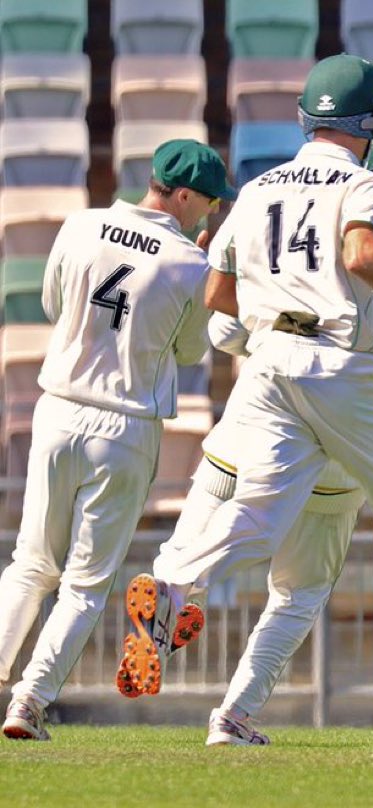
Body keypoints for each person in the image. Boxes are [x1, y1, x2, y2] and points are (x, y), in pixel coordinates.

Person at [116, 55, 373, 731]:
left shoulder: (259, 188)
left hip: (269, 362)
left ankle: (173, 586)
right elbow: (360, 258)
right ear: (366, 123)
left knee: (254, 518)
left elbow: (217, 295)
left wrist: (270, 317)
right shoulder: (366, 185)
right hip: (335, 372)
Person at [148, 152, 373, 745]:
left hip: (242, 444)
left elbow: (221, 331)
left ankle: (172, 581)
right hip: (338, 473)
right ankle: (234, 714)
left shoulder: (282, 264)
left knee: (231, 530)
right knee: (298, 595)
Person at [0, 139, 237, 741]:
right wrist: (193, 271)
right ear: (182, 195)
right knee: (84, 584)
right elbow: (188, 353)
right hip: (126, 425)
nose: (208, 215)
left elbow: (54, 304)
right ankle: (29, 702)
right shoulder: (190, 263)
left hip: (58, 409)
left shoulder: (82, 224)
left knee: (30, 565)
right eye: (207, 204)